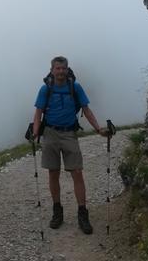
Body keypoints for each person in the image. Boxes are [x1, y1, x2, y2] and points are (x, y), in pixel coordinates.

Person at [32, 56, 110, 235]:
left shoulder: (75, 87)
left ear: (67, 70)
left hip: (69, 133)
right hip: (50, 133)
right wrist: (35, 132)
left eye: (63, 68)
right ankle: (57, 211)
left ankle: (82, 213)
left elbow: (86, 110)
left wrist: (98, 129)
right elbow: (38, 113)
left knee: (77, 172)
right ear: (52, 70)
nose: (60, 71)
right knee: (53, 173)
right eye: (57, 68)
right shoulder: (45, 89)